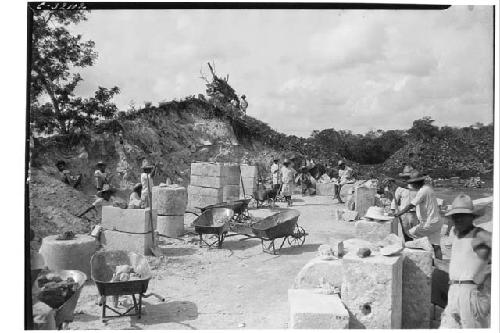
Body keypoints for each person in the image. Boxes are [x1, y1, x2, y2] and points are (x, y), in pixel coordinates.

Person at [439, 194, 491, 329]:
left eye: (462, 215)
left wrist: (486, 274)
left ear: (472, 217)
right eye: (455, 215)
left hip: (470, 293)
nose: (458, 218)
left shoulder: (479, 235)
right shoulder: (456, 234)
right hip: (454, 291)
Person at [394, 171, 444, 259]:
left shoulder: (422, 191)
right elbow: (407, 187)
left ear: (416, 183)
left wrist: (398, 214)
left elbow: (411, 205)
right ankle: (439, 264)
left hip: (429, 222)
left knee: (409, 233)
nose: (411, 186)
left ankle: (415, 257)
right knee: (436, 245)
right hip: (437, 221)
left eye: (412, 183)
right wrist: (394, 181)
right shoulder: (428, 187)